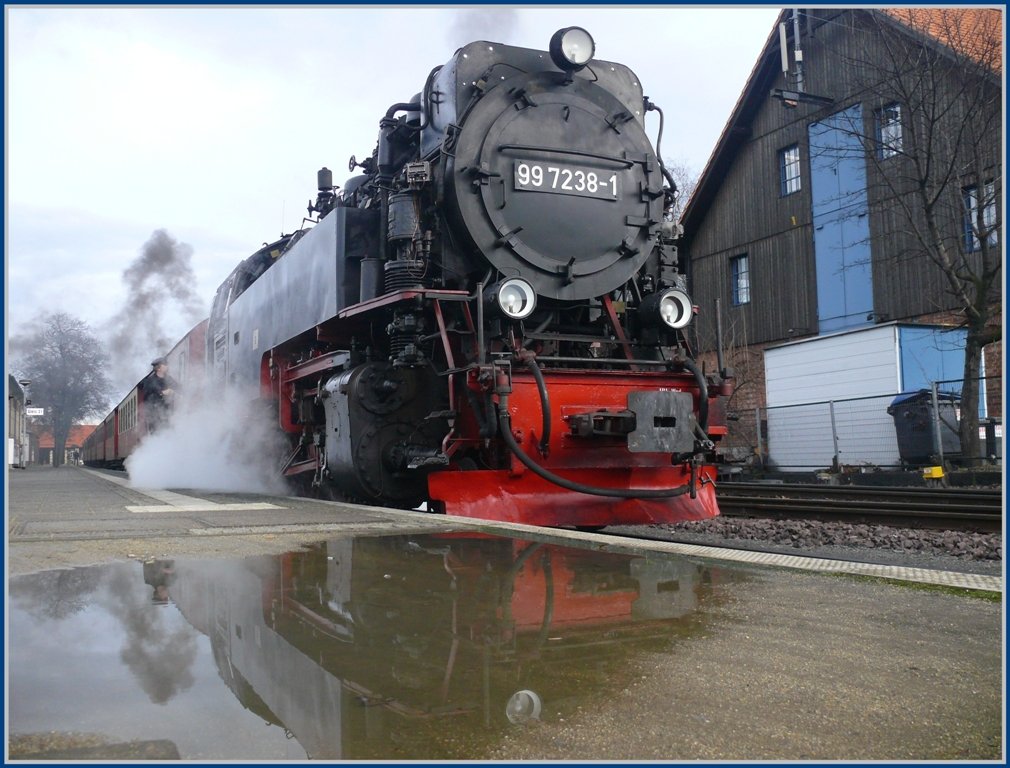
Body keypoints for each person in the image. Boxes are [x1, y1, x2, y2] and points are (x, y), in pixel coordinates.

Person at [142, 357, 179, 433]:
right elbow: (146, 397)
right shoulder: (149, 381)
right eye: (165, 364)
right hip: (155, 416)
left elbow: (179, 388)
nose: (167, 366)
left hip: (168, 414)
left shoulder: (169, 379)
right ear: (158, 368)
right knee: (157, 436)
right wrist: (162, 393)